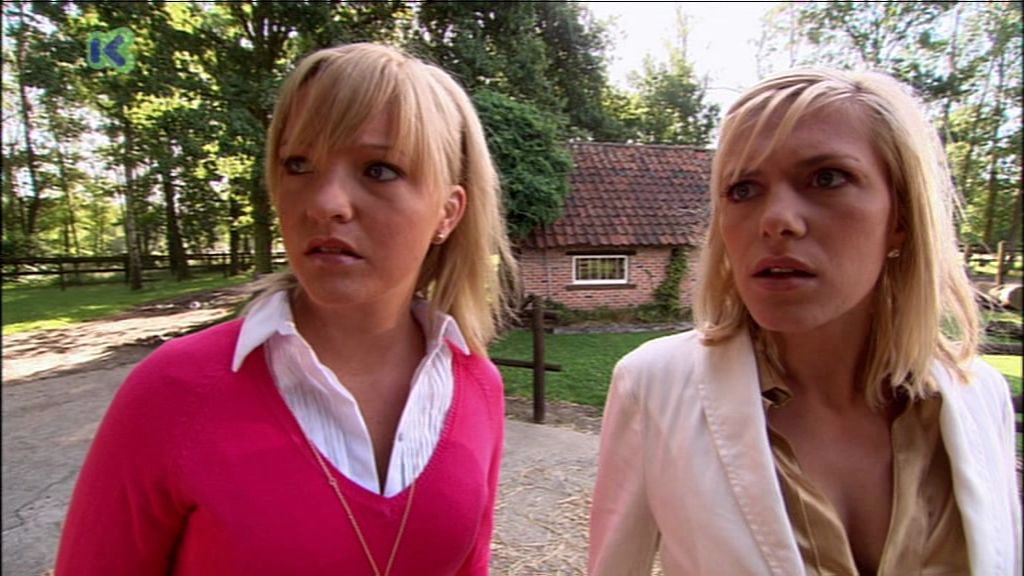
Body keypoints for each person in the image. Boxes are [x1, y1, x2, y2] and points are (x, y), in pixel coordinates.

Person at [55, 42, 518, 575]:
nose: (324, 204)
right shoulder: (173, 393)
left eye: (378, 170)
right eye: (299, 165)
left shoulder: (477, 386)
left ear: (448, 212)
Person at [588, 68, 1022, 576]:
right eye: (743, 189)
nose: (777, 220)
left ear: (901, 217)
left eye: (827, 178)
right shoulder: (654, 387)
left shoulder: (979, 395)